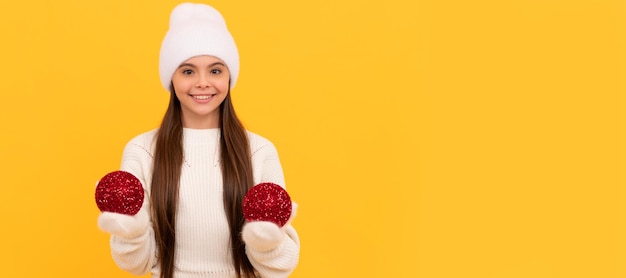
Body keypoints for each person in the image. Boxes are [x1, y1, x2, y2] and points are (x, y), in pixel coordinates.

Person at [96, 2, 300, 278]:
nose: (203, 82)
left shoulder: (258, 151)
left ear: (229, 76)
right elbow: (135, 265)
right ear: (172, 78)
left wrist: (267, 243)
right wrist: (132, 232)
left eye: (215, 70)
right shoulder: (143, 150)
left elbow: (282, 266)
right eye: (188, 71)